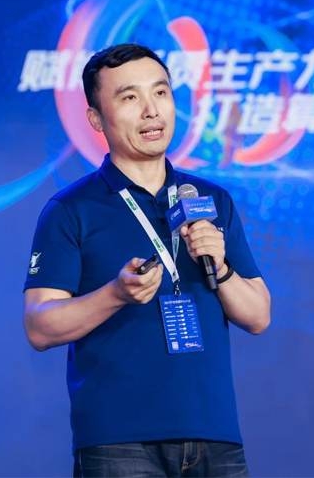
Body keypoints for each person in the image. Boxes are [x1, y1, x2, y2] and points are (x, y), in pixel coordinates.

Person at [23, 43, 271, 477]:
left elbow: (258, 316)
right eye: (130, 97)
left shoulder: (211, 200)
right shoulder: (71, 210)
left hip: (215, 436)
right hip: (119, 443)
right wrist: (115, 294)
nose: (151, 110)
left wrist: (221, 267)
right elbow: (39, 326)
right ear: (96, 119)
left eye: (160, 92)